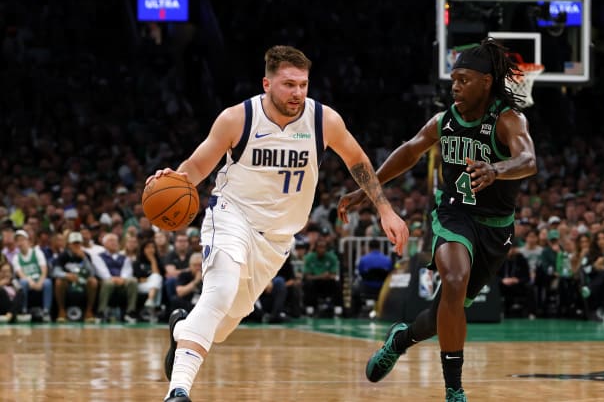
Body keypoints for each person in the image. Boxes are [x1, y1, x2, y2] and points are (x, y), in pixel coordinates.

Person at [149, 45, 409, 402]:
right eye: (289, 84)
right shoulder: (237, 119)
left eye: (303, 84)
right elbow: (196, 167)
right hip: (232, 216)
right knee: (219, 292)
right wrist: (173, 179)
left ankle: (181, 328)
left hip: (277, 238)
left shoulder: (323, 120)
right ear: (267, 83)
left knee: (222, 325)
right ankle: (178, 391)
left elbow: (358, 161)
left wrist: (385, 210)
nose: (298, 93)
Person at [338, 37, 537, 402]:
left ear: (487, 81)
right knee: (455, 278)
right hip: (453, 215)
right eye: (454, 80)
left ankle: (401, 338)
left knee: (442, 313)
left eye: (464, 79)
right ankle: (454, 391)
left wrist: (496, 168)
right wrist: (366, 189)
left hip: (495, 228)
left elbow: (528, 160)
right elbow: (410, 151)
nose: (455, 87)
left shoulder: (509, 119)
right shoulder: (444, 121)